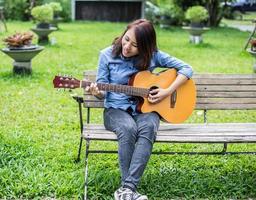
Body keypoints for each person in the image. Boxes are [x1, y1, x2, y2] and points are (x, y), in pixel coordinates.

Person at [85, 19, 193, 200]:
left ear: (145, 47)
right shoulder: (106, 55)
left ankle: (126, 189)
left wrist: (167, 91)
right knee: (128, 128)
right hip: (115, 111)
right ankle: (129, 190)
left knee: (149, 127)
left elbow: (187, 68)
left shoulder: (153, 56)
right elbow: (102, 91)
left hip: (144, 111)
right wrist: (97, 92)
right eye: (126, 39)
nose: (127, 47)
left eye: (135, 45)